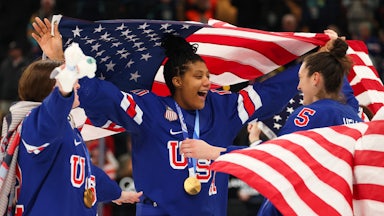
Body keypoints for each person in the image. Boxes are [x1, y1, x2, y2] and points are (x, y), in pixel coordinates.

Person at [32, 17, 321, 215]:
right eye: (199, 76)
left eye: (208, 75)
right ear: (178, 81)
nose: (208, 82)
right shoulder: (149, 109)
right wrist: (59, 60)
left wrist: (313, 60)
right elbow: (105, 94)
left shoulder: (224, 108)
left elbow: (269, 94)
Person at [1, 47, 143, 215]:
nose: (77, 85)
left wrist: (117, 193)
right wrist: (63, 92)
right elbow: (50, 115)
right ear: (51, 88)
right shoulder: (33, 123)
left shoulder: (66, 126)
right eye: (72, 81)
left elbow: (84, 172)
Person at [248, 37, 363, 216]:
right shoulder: (355, 116)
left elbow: (278, 157)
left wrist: (252, 142)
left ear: (315, 78)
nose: (299, 86)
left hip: (303, 204)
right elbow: (342, 88)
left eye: (301, 78)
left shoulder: (310, 113)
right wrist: (330, 54)